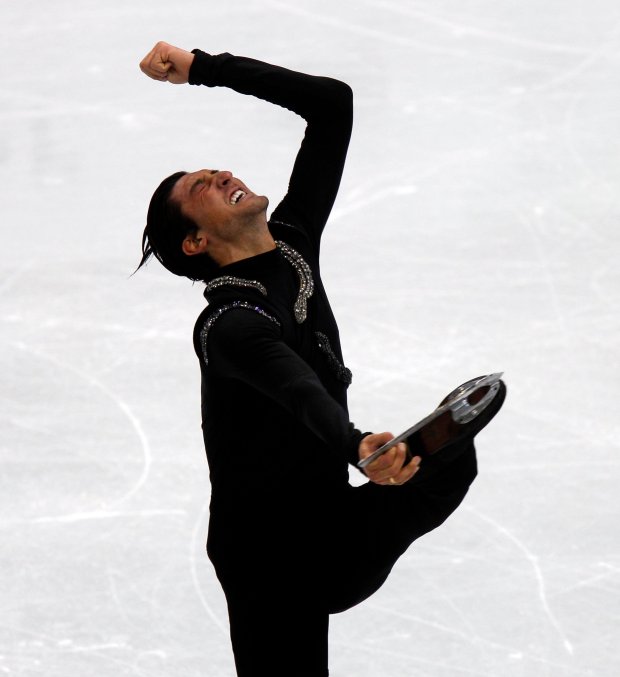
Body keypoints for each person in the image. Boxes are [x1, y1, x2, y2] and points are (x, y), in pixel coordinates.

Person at [137, 41, 498, 677]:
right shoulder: (228, 324)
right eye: (201, 186)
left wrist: (203, 69)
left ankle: (413, 459)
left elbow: (332, 105)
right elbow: (298, 388)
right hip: (268, 556)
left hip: (334, 525)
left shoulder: (294, 242)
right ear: (195, 241)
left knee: (448, 459)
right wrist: (359, 445)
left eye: (215, 169)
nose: (222, 174)